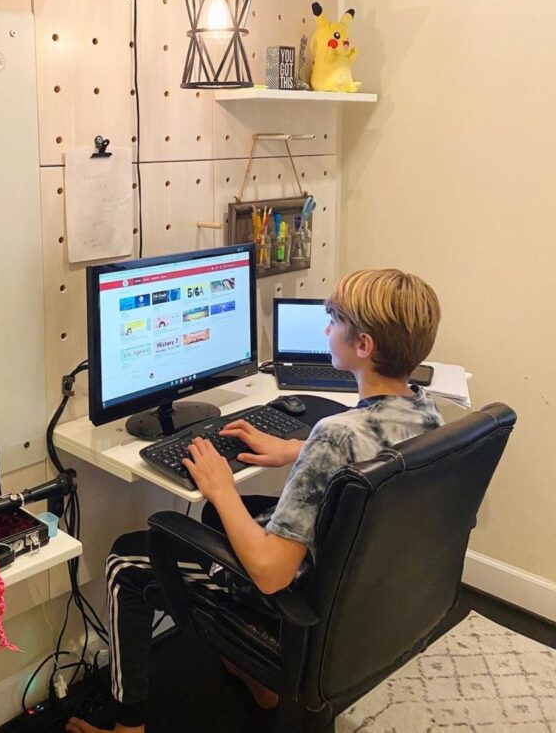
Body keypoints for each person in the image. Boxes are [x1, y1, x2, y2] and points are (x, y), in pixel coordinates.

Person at [66, 269, 443, 733]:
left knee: (127, 561)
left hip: (300, 592)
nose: (326, 330)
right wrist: (295, 451)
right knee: (213, 515)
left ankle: (128, 726)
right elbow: (370, 453)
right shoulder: (425, 409)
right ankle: (257, 676)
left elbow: (270, 572)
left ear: (363, 346)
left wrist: (223, 486)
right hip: (363, 586)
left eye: (333, 321)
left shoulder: (335, 436)